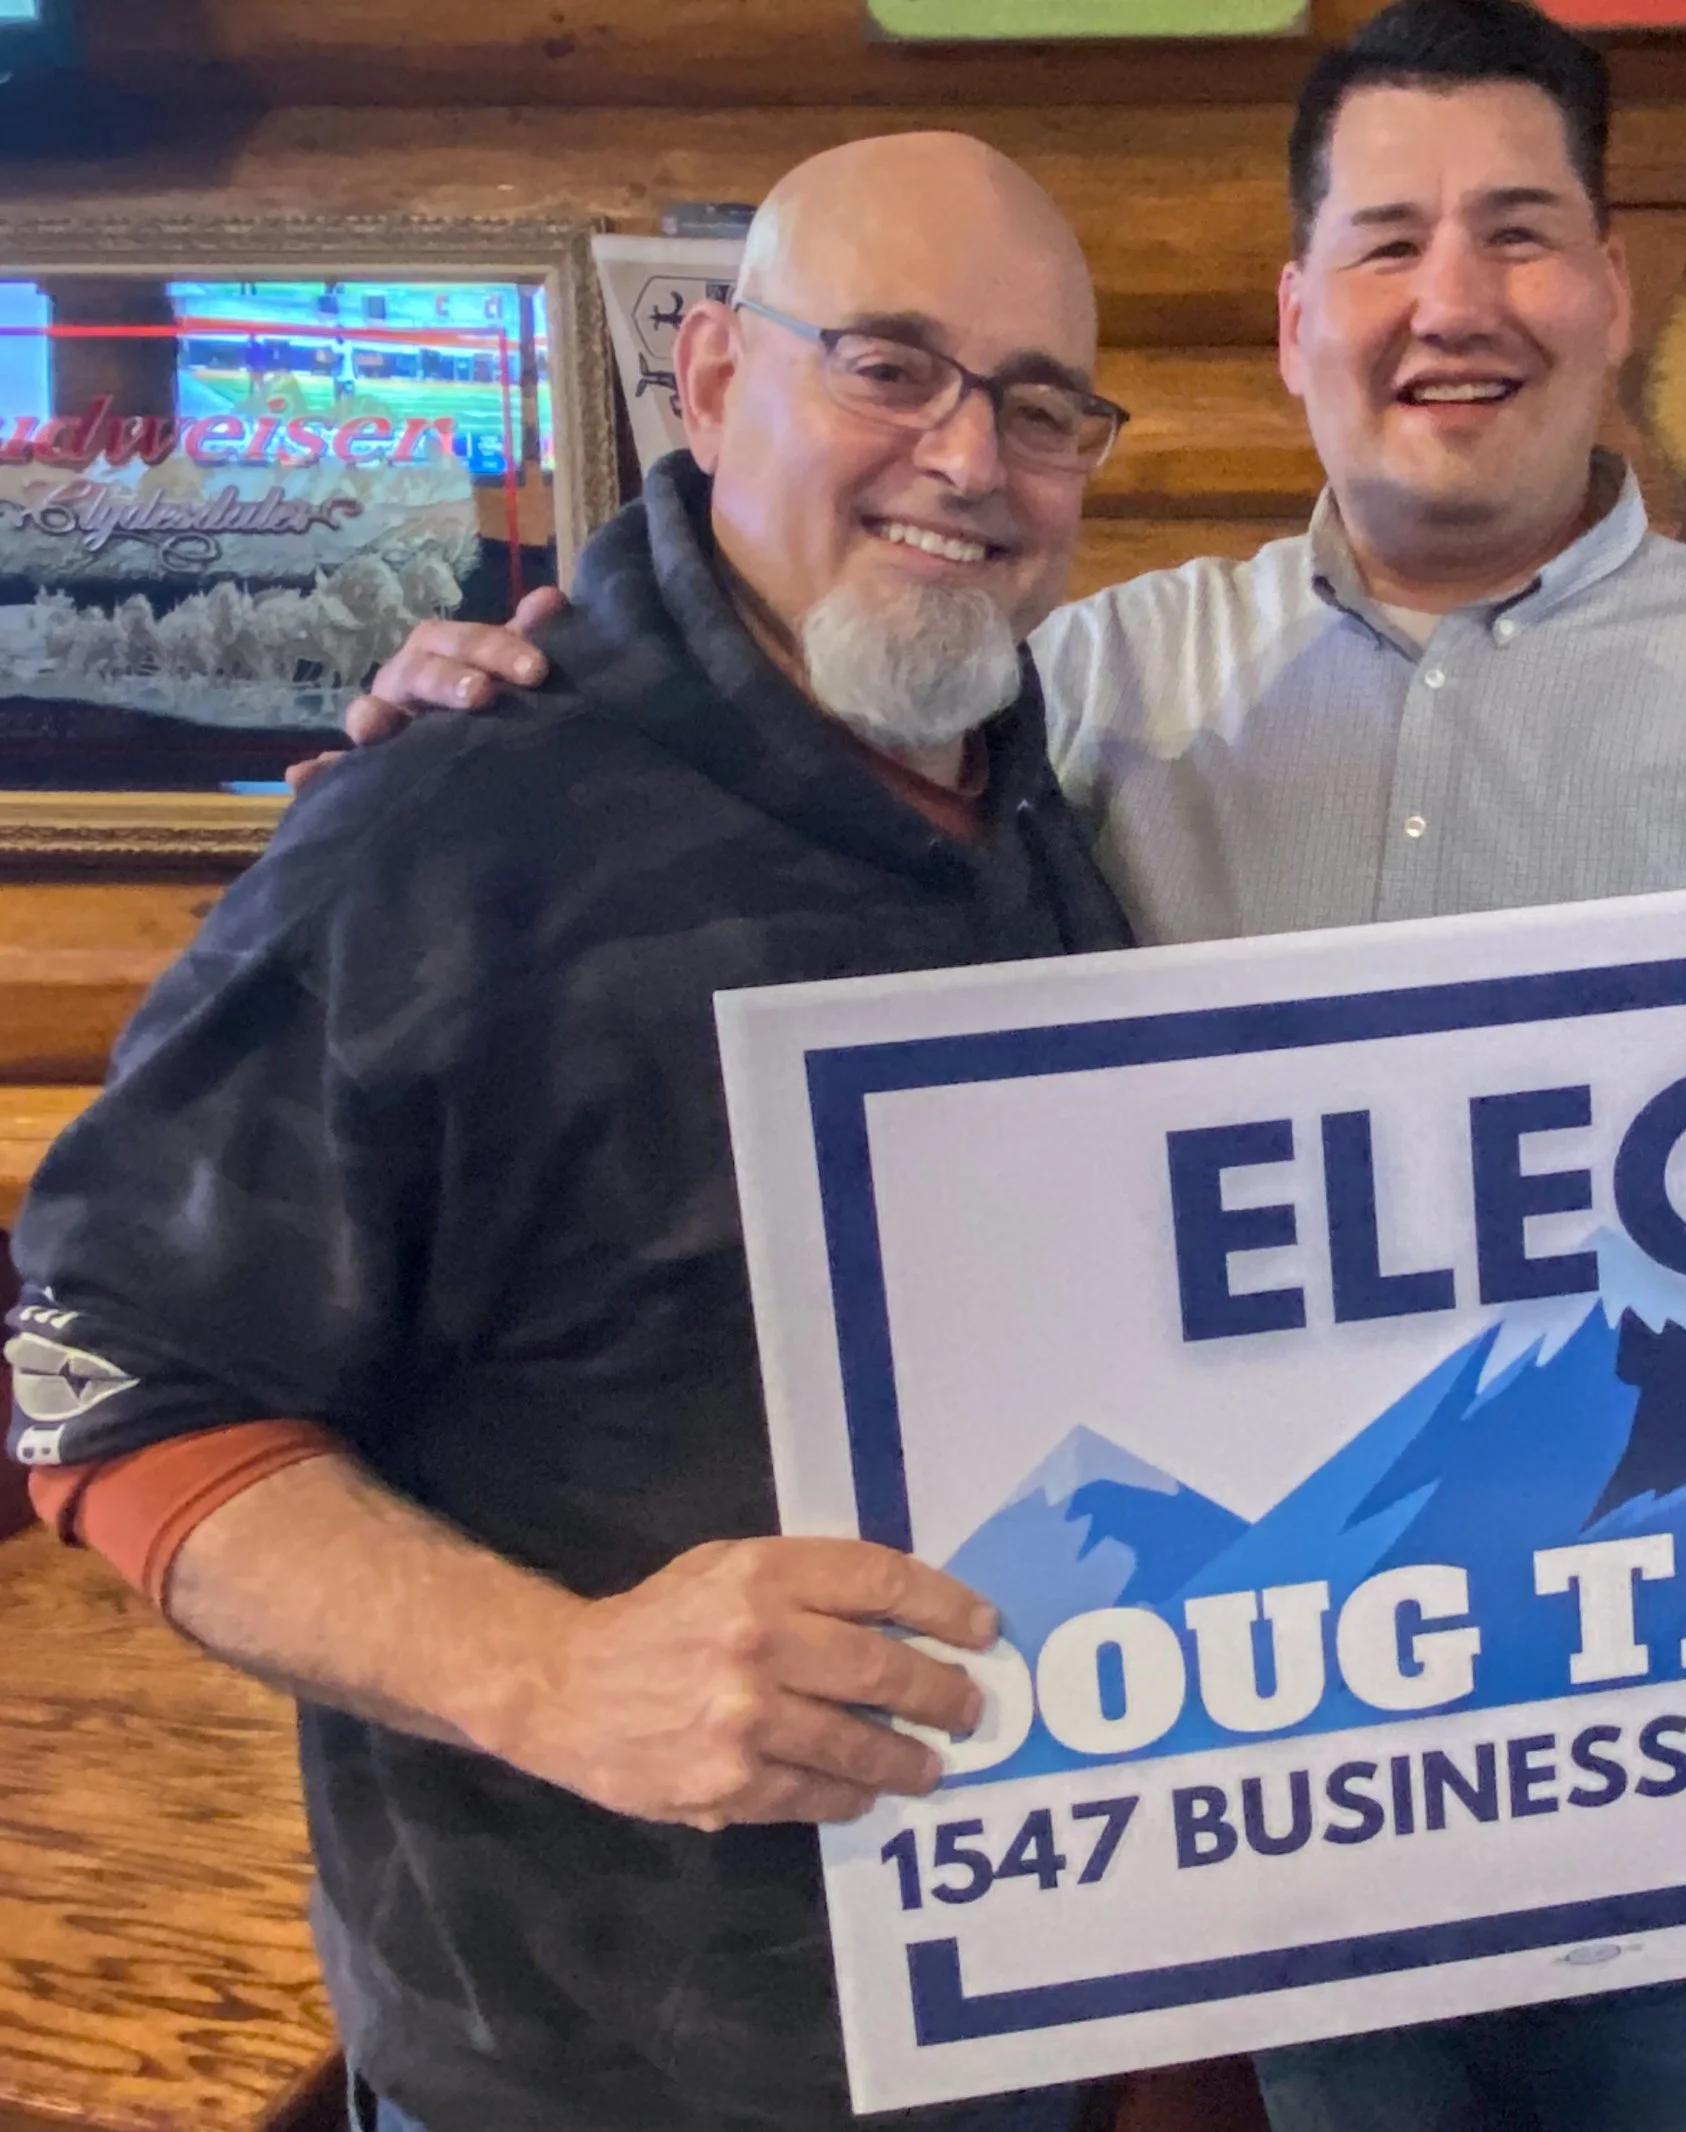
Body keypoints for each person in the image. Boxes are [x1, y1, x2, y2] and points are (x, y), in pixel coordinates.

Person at [235, 1, 1686, 2126]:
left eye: (1514, 229)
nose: (1450, 294)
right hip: (1289, 1760)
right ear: (1295, 316)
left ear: (1604, 294)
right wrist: (536, 682)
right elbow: (791, 748)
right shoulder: (1075, 691)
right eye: (1383, 241)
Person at [5, 135, 1136, 2132]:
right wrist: (554, 1673)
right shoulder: (442, 828)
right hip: (586, 2075)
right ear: (705, 380)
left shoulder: (1041, 810)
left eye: (1037, 403)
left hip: (996, 2019)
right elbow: (95, 1375)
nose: (968, 457)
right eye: (887, 365)